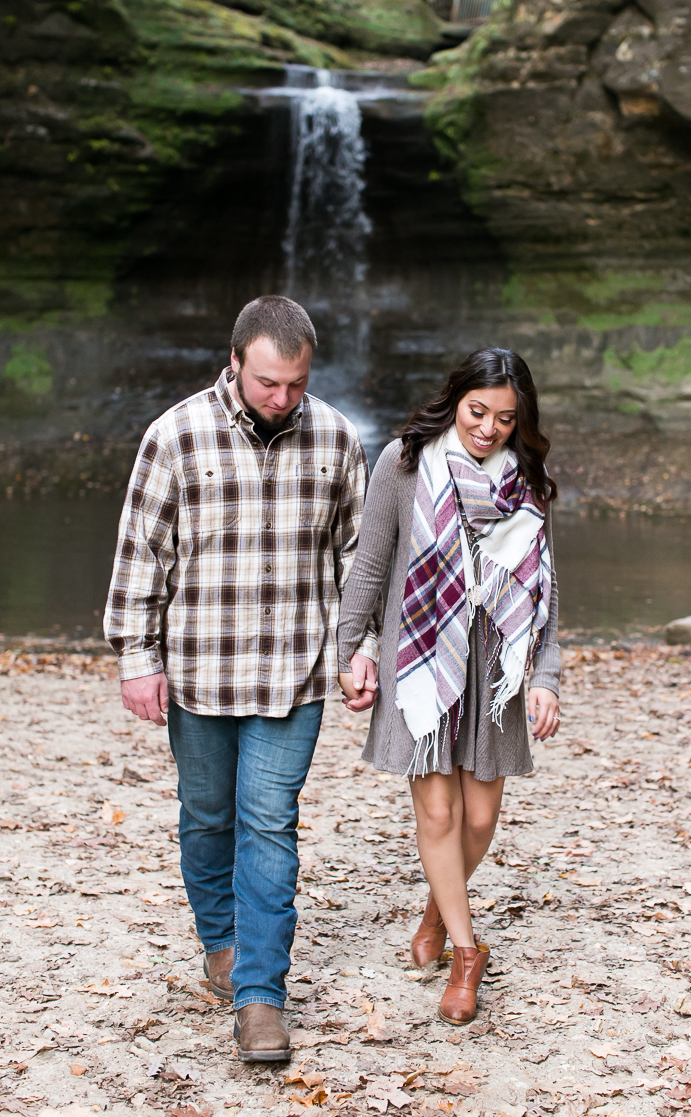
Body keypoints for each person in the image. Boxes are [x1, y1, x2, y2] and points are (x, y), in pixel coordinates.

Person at [104, 295, 378, 1062]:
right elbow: (140, 557)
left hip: (296, 673)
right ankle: (220, 937)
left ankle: (261, 997)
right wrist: (137, 659)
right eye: (267, 383)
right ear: (234, 362)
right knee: (206, 818)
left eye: (295, 383)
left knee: (268, 825)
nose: (282, 398)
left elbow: (358, 560)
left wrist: (364, 647)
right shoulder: (175, 435)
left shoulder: (335, 436)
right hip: (199, 671)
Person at [337, 347, 561, 1026]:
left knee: (482, 818)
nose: (488, 429)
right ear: (454, 399)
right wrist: (350, 649)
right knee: (439, 817)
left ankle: (439, 907)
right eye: (477, 411)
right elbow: (371, 565)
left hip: (494, 666)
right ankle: (467, 955)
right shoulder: (402, 466)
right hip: (421, 657)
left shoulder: (528, 481)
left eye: (504, 418)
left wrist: (546, 676)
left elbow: (549, 586)